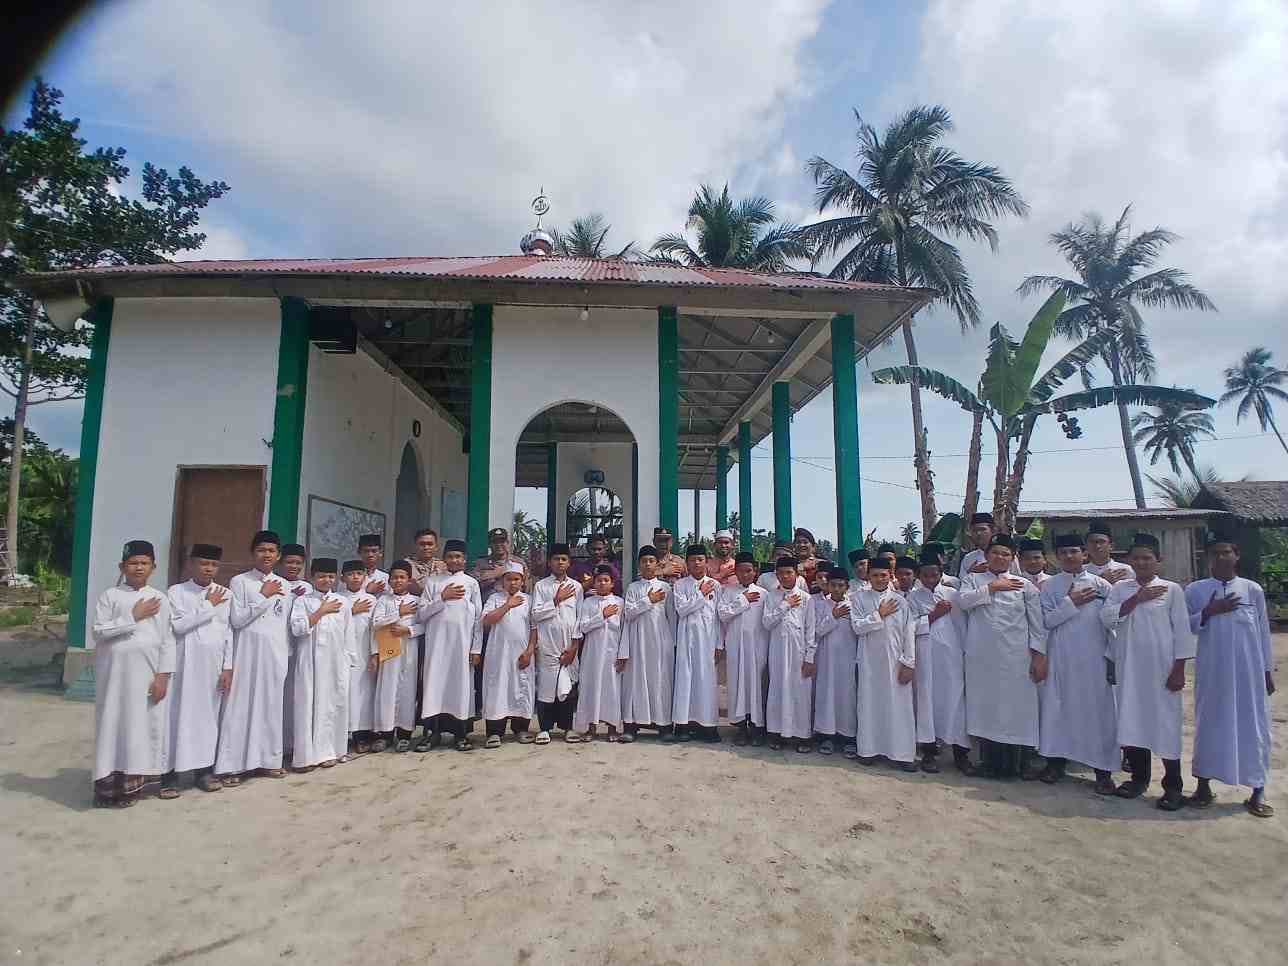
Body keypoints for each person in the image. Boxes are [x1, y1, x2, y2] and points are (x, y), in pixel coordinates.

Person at [1100, 533, 1196, 810]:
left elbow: (1182, 633)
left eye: (1147, 558)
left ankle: (1173, 785)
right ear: (1129, 561)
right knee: (1132, 722)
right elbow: (1106, 618)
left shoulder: (1171, 589)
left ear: (1158, 561)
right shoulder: (1120, 589)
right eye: (1136, 558)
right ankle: (1138, 779)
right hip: (1130, 670)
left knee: (1165, 725)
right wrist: (1136, 599)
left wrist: (1179, 669)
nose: (1141, 563)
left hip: (1162, 672)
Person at [1185, 534, 1275, 817]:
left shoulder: (1252, 590)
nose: (1221, 557)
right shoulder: (1196, 591)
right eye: (1215, 553)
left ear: (1237, 556)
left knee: (1254, 726)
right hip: (1213, 672)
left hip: (1249, 674)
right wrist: (1208, 611)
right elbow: (1183, 628)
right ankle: (1203, 786)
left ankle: (1257, 791)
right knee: (1209, 724)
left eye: (1227, 552)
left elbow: (1263, 633)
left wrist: (1267, 671)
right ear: (1208, 558)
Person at [92, 540, 175, 807]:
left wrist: (163, 676)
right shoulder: (110, 596)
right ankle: (108, 788)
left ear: (153, 567)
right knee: (113, 725)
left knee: (141, 727)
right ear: (122, 566)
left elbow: (167, 640)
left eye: (144, 563)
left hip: (147, 676)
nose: (138, 567)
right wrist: (132, 615)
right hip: (114, 677)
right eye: (133, 563)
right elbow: (99, 631)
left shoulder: (160, 598)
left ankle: (133, 786)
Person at [958, 534, 1047, 778]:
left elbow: (1037, 624)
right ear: (987, 555)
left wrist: (1039, 657)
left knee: (1018, 709)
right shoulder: (972, 579)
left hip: (1016, 659)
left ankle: (1022, 764)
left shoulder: (1024, 585)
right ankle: (990, 764)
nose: (1000, 557)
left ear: (1012, 558)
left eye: (1006, 554)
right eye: (995, 552)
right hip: (983, 658)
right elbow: (963, 602)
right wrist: (991, 587)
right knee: (987, 708)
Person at [1037, 534, 1118, 793]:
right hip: (1061, 658)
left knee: (1098, 714)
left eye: (1074, 551)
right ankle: (1055, 763)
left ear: (1085, 554)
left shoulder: (1102, 585)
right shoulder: (1049, 587)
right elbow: (1047, 621)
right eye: (1063, 552)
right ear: (1056, 557)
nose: (1069, 556)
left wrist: (1112, 658)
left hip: (1094, 660)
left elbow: (1113, 625)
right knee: (1058, 710)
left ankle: (1103, 771)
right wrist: (1071, 602)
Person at [215, 531, 292, 784]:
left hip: (275, 654)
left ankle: (268, 761)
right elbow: (237, 620)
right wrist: (264, 595)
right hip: (246, 653)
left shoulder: (286, 586)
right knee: (240, 705)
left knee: (270, 706)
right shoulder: (240, 582)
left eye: (271, 551)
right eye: (261, 550)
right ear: (253, 553)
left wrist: (285, 656)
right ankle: (232, 766)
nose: (266, 555)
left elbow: (284, 624)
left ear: (278, 555)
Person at [163, 543, 232, 796]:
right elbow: (179, 626)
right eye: (203, 563)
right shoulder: (176, 592)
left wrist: (228, 667)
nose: (208, 569)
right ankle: (169, 775)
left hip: (212, 666)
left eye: (213, 564)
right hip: (183, 665)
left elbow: (228, 632)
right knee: (176, 717)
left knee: (207, 718)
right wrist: (208, 606)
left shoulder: (225, 593)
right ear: (192, 564)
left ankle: (204, 771)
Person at [849, 558, 918, 770]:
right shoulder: (859, 598)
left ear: (891, 576)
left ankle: (902, 754)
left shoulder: (901, 601)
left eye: (884, 575)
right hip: (870, 663)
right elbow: (857, 627)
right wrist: (879, 614)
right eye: (875, 575)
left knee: (899, 707)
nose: (880, 579)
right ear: (868, 577)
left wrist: (909, 663)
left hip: (896, 663)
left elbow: (909, 633)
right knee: (869, 704)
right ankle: (868, 750)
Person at [907, 549, 971, 774]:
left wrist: (965, 653)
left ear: (941, 573)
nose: (930, 580)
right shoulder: (912, 597)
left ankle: (961, 754)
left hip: (951, 657)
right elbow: (910, 628)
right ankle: (929, 752)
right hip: (925, 657)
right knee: (927, 702)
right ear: (919, 576)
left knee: (955, 701)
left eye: (934, 575)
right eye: (926, 575)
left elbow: (962, 627)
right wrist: (933, 614)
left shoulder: (952, 595)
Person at [288, 558, 355, 771]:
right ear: (312, 577)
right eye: (322, 576)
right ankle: (305, 757)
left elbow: (348, 633)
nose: (327, 580)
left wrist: (349, 661)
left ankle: (330, 752)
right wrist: (321, 611)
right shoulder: (303, 601)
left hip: (335, 662)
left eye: (330, 576)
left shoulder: (343, 602)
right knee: (308, 704)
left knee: (331, 705)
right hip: (310, 662)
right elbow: (298, 629)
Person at [418, 541, 481, 752]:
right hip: (437, 646)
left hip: (462, 647)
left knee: (460, 687)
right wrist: (441, 598)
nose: (454, 560)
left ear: (464, 560)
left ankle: (460, 735)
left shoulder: (471, 583)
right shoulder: (433, 582)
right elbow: (421, 613)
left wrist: (476, 648)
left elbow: (479, 619)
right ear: (444, 558)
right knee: (434, 687)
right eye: (451, 556)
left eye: (459, 556)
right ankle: (431, 734)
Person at [475, 560, 535, 747]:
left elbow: (535, 627)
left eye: (516, 579)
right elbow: (486, 621)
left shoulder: (529, 600)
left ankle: (521, 729)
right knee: (497, 689)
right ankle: (495, 732)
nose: (513, 583)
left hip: (522, 653)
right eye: (509, 579)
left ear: (522, 581)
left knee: (521, 688)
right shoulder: (494, 599)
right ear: (503, 581)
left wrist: (530, 650)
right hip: (498, 655)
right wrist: (507, 605)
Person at [620, 545, 676, 741]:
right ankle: (631, 726)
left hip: (661, 641)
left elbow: (672, 618)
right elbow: (628, 612)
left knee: (661, 681)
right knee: (636, 681)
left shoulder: (666, 587)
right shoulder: (633, 588)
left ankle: (664, 726)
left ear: (657, 563)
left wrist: (673, 644)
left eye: (651, 561)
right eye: (644, 561)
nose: (648, 564)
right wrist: (649, 600)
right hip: (638, 641)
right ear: (639, 565)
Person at [530, 542, 584, 744]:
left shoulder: (577, 587)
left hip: (568, 644)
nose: (560, 562)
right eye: (556, 559)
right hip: (548, 644)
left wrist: (573, 648)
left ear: (569, 562)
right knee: (546, 686)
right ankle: (544, 728)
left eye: (563, 559)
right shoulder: (541, 586)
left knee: (568, 686)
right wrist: (555, 600)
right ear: (549, 562)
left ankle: (568, 728)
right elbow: (535, 615)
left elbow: (579, 618)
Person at [763, 556, 816, 753]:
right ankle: (777, 733)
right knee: (778, 689)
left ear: (797, 574)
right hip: (777, 651)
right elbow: (767, 623)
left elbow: (811, 630)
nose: (785, 577)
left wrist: (810, 657)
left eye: (789, 573)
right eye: (781, 573)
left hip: (799, 652)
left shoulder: (806, 598)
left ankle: (802, 735)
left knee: (800, 692)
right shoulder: (771, 597)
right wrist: (785, 605)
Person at [372, 561, 426, 753]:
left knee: (407, 691)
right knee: (387, 690)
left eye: (402, 577)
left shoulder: (417, 601)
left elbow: (425, 625)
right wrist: (398, 613)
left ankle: (404, 734)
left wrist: (408, 629)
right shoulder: (383, 601)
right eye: (394, 577)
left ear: (409, 580)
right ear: (389, 580)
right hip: (389, 651)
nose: (398, 581)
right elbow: (377, 623)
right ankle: (384, 734)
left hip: (409, 651)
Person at [671, 545, 723, 742]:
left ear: (706, 561)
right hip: (686, 639)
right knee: (685, 681)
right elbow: (682, 609)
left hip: (708, 641)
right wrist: (700, 594)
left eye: (700, 559)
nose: (696, 563)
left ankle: (707, 726)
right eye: (692, 560)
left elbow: (718, 617)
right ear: (687, 563)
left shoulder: (715, 585)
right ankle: (684, 725)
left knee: (706, 682)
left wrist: (720, 644)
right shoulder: (680, 585)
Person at [718, 552, 768, 746]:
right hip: (735, 647)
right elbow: (723, 614)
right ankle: (740, 726)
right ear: (735, 572)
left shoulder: (764, 594)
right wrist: (743, 600)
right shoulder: (728, 591)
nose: (745, 575)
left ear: (755, 572)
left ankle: (757, 727)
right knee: (737, 685)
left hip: (758, 647)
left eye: (749, 571)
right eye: (741, 571)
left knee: (755, 686)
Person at [573, 565, 628, 741]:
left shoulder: (620, 602)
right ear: (594, 583)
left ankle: (612, 728)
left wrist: (623, 655)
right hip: (592, 653)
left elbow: (624, 631)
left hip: (612, 653)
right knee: (591, 687)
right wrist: (602, 616)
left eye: (606, 580)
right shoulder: (588, 602)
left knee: (611, 689)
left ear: (612, 583)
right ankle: (591, 728)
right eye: (599, 580)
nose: (602, 583)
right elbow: (582, 627)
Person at [810, 567, 858, 756]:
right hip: (825, 659)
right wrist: (833, 616)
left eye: (841, 586)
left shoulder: (854, 604)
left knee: (847, 698)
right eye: (833, 585)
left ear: (847, 587)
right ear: (827, 586)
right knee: (826, 695)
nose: (837, 589)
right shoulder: (820, 605)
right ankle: (827, 736)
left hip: (848, 660)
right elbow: (815, 632)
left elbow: (859, 630)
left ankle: (848, 738)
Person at [338, 559, 378, 754]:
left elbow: (375, 629)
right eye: (351, 574)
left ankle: (362, 735)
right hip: (341, 653)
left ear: (365, 577)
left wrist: (374, 654)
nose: (355, 577)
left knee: (363, 695)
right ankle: (341, 736)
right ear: (342, 578)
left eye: (359, 574)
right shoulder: (336, 598)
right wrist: (351, 611)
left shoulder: (371, 600)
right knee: (343, 693)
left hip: (364, 654)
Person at [277, 542, 312, 759]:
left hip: (300, 650)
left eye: (298, 563)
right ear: (281, 562)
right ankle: (277, 744)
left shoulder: (307, 588)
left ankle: (293, 745)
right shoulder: (275, 584)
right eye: (289, 562)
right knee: (277, 699)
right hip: (277, 647)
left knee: (294, 699)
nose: (294, 566)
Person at [407, 528, 446, 595]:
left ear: (436, 547)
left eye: (430, 544)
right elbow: (415, 589)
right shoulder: (406, 565)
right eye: (422, 544)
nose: (426, 547)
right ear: (416, 546)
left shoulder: (444, 566)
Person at [957, 512, 996, 579]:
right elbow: (962, 585)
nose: (978, 533)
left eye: (982, 529)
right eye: (974, 530)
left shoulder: (1005, 555)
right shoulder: (968, 558)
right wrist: (972, 572)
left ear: (993, 531)